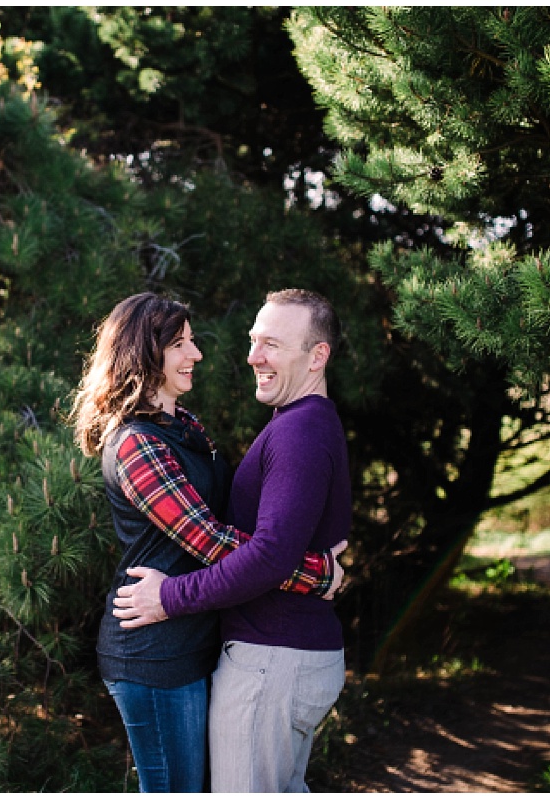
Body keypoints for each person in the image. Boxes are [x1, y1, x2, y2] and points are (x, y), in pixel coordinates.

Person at [71, 292, 345, 793]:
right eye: (180, 343)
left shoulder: (185, 429)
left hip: (193, 638)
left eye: (192, 341)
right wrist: (316, 574)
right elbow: (210, 538)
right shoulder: (136, 443)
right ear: (142, 352)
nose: (196, 354)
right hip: (153, 650)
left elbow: (242, 525)